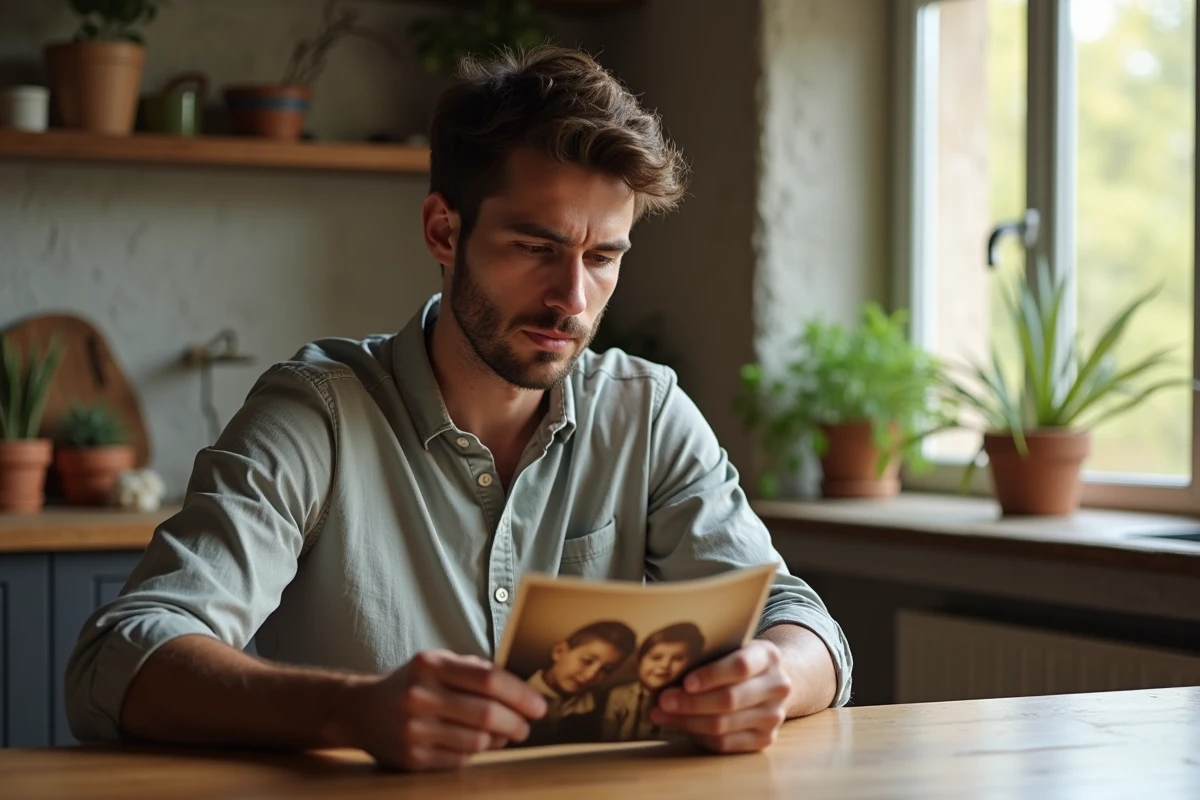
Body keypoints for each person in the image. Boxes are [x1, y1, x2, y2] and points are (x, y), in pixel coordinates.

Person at [64, 45, 853, 773]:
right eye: (537, 248)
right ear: (444, 230)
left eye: (602, 258)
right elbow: (120, 658)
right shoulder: (318, 414)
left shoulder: (645, 413)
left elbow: (800, 622)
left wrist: (771, 674)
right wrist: (350, 711)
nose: (572, 300)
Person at [525, 620, 635, 746]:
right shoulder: (516, 682)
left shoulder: (597, 709)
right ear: (560, 651)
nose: (590, 675)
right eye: (587, 661)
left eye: (605, 670)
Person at [602, 622, 704, 743]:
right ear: (639, 661)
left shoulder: (693, 699)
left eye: (678, 658)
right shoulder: (619, 696)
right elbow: (607, 739)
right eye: (656, 657)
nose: (665, 665)